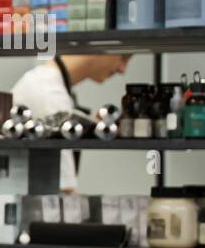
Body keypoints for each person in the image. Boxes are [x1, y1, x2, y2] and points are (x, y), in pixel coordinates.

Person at [9, 52, 131, 193]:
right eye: (123, 57)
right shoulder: (49, 94)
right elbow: (65, 191)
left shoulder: (51, 85)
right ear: (99, 45)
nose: (123, 69)